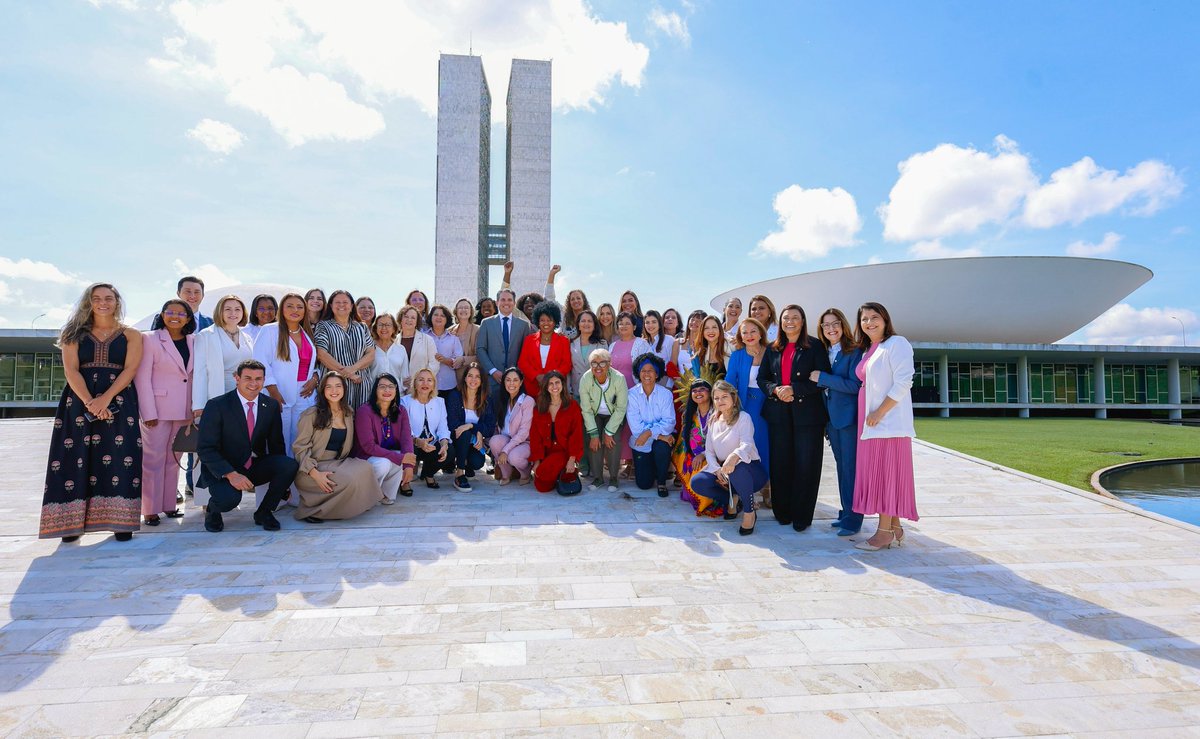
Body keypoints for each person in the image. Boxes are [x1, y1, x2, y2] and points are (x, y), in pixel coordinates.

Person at [39, 283, 143, 542]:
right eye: (96, 298)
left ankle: (120, 523)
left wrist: (106, 399)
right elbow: (71, 370)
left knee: (121, 455)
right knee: (74, 457)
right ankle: (70, 525)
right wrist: (90, 402)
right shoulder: (73, 333)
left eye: (108, 298)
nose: (103, 302)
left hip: (120, 400)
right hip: (78, 401)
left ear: (117, 302)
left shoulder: (131, 335)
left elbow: (130, 370)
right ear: (88, 302)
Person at [196, 359, 298, 533]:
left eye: (258, 379)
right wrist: (231, 474)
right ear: (237, 378)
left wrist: (283, 482)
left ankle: (264, 512)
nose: (253, 383)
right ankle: (213, 510)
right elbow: (205, 448)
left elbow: (276, 444)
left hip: (252, 464)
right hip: (224, 469)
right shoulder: (217, 405)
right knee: (229, 500)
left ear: (264, 380)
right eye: (248, 378)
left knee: (288, 465)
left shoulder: (270, 405)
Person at [757, 304, 830, 532]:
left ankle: (802, 516)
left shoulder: (815, 346)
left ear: (803, 320)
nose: (790, 321)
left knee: (806, 465)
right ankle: (783, 512)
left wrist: (794, 389)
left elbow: (821, 378)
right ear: (780, 322)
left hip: (807, 415)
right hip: (779, 414)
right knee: (781, 464)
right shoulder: (773, 348)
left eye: (795, 318)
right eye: (786, 318)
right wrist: (776, 390)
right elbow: (763, 379)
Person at [852, 302, 918, 551]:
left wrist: (880, 412)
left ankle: (883, 532)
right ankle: (896, 527)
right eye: (864, 319)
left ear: (885, 319)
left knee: (885, 476)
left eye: (874, 317)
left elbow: (904, 382)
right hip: (869, 423)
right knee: (878, 474)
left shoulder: (897, 343)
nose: (869, 322)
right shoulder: (870, 348)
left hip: (886, 423)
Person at [134, 299, 195, 526]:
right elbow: (142, 376)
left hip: (184, 410)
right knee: (152, 459)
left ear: (188, 318)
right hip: (157, 411)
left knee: (174, 459)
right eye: (170, 312)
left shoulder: (193, 341)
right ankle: (150, 509)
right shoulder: (149, 339)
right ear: (162, 314)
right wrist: (147, 411)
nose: (175, 316)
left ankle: (169, 504)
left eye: (181, 313)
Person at [291, 372, 383, 523]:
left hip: (337, 461)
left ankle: (358, 504)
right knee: (349, 479)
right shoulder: (311, 414)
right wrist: (314, 474)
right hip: (313, 467)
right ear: (322, 390)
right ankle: (313, 511)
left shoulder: (348, 412)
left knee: (366, 467)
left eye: (338, 386)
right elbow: (300, 448)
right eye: (329, 387)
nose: (334, 391)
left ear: (344, 389)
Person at [192, 295, 254, 509]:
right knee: (210, 446)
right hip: (217, 396)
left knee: (234, 446)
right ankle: (203, 500)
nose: (233, 313)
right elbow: (200, 372)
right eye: (228, 309)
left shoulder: (247, 336)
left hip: (243, 398)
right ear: (220, 311)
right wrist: (198, 405)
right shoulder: (206, 335)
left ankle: (229, 489)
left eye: (237, 309)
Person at [690, 380, 768, 536]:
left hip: (751, 472)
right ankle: (733, 498)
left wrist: (733, 457)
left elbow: (746, 444)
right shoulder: (713, 420)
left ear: (734, 398)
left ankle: (749, 512)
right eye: (717, 398)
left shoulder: (743, 418)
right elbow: (709, 451)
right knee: (698, 482)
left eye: (724, 397)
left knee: (737, 469)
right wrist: (717, 469)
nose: (720, 401)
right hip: (725, 471)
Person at [811, 308, 864, 537]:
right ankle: (845, 512)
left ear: (843, 325)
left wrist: (823, 378)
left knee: (851, 469)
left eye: (835, 324)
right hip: (831, 420)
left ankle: (854, 520)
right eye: (826, 325)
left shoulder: (854, 352)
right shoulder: (826, 351)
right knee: (842, 468)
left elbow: (854, 386)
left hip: (848, 420)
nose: (831, 329)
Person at [252, 293, 318, 459]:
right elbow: (260, 362)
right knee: (277, 438)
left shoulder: (307, 332)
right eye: (290, 306)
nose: (295, 310)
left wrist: (315, 379)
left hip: (305, 394)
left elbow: (314, 363)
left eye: (299, 306)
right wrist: (273, 392)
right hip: (278, 392)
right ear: (281, 309)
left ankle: (297, 482)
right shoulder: (269, 330)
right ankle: (277, 480)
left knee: (299, 438)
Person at [724, 317, 772, 508]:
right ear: (740, 336)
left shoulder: (772, 353)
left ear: (761, 333)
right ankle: (749, 491)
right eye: (745, 332)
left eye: (753, 331)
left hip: (770, 406)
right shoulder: (737, 356)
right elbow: (729, 383)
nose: (749, 335)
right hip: (746, 407)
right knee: (749, 447)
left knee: (767, 448)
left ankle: (767, 488)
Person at [353, 373, 416, 502]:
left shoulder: (401, 410)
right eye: (382, 386)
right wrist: (400, 458)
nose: (387, 390)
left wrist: (409, 465)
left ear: (396, 390)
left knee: (399, 457)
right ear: (375, 390)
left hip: (385, 454)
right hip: (366, 457)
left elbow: (406, 439)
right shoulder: (364, 411)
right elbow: (368, 446)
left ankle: (385, 495)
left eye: (391, 386)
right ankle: (367, 496)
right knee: (385, 463)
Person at [314, 290, 376, 410]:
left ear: (352, 306)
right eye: (337, 302)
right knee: (336, 422)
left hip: (361, 385)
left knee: (360, 422)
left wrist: (352, 370)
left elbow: (371, 354)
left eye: (345, 302)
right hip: (334, 388)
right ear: (331, 305)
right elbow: (322, 354)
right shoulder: (323, 326)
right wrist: (349, 375)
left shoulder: (361, 327)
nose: (341, 305)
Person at [176, 276, 209, 498]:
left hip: (203, 385)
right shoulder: (167, 319)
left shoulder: (210, 323)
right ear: (179, 293)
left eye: (196, 292)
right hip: (175, 387)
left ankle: (192, 483)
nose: (192, 296)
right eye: (187, 291)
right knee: (172, 438)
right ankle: (168, 489)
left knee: (198, 435)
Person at [626, 353, 675, 496]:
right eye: (643, 371)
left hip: (654, 439)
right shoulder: (632, 394)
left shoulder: (665, 394)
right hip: (640, 442)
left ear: (657, 373)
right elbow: (636, 427)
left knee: (662, 447)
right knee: (644, 484)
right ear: (638, 373)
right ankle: (651, 468)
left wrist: (649, 433)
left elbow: (669, 421)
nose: (647, 374)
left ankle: (661, 482)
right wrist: (659, 435)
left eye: (650, 370)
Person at [672, 375, 722, 517]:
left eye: (702, 389)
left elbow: (723, 441)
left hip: (717, 457)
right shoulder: (689, 415)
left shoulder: (720, 414)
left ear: (710, 392)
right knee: (689, 493)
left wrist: (704, 454)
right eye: (694, 391)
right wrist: (690, 456)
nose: (698, 393)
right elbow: (684, 442)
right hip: (695, 457)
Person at [578, 348, 626, 492]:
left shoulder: (619, 378)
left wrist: (609, 432)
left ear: (609, 364)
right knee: (594, 442)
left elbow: (621, 408)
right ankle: (598, 478)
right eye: (594, 363)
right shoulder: (586, 378)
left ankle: (613, 478)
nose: (598, 367)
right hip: (594, 414)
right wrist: (594, 434)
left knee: (613, 440)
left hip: (613, 414)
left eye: (602, 363)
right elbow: (586, 409)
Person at [528, 371, 584, 494]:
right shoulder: (540, 407)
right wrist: (537, 461)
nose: (554, 387)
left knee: (544, 476)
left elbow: (577, 434)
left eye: (557, 383)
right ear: (546, 387)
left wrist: (572, 459)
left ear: (563, 384)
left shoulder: (572, 405)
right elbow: (535, 435)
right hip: (547, 452)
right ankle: (559, 474)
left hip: (564, 452)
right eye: (550, 384)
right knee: (540, 486)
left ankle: (564, 471)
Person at [445, 363, 494, 491]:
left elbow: (489, 427)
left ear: (482, 380)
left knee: (477, 462)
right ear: (465, 378)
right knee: (464, 433)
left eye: (477, 376)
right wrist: (473, 429)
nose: (473, 380)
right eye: (470, 376)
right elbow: (452, 424)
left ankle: (466, 463)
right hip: (455, 439)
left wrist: (474, 428)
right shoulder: (455, 396)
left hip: (473, 442)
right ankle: (459, 473)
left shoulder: (486, 399)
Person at [401, 368, 452, 487]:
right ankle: (405, 482)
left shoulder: (439, 402)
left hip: (431, 444)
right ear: (415, 383)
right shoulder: (405, 401)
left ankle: (428, 474)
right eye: (421, 380)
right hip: (413, 444)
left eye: (429, 380)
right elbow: (405, 429)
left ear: (434, 384)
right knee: (407, 448)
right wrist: (418, 441)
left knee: (450, 451)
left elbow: (443, 427)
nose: (425, 383)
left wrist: (444, 443)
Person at [476, 289, 532, 393]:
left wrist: (516, 374)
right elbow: (480, 349)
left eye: (510, 300)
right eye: (503, 299)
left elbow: (526, 352)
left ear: (514, 303)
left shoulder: (524, 325)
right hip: (492, 380)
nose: (506, 303)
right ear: (497, 302)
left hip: (515, 381)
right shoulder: (486, 323)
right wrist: (493, 371)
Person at [487, 367, 533, 484]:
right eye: (508, 380)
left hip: (525, 442)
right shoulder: (503, 400)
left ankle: (526, 473)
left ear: (521, 382)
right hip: (508, 439)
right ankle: (506, 474)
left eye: (515, 380)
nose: (511, 383)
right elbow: (498, 427)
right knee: (495, 441)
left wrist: (505, 451)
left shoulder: (528, 401)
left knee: (513, 457)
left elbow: (523, 433)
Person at [517, 300, 573, 397]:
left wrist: (551, 379)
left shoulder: (564, 341)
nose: (546, 323)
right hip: (532, 387)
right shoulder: (529, 340)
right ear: (538, 321)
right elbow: (523, 363)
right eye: (542, 320)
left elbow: (566, 364)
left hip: (555, 388)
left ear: (555, 321)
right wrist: (537, 376)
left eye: (549, 320)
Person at [395, 305, 440, 391]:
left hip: (421, 389)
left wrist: (418, 380)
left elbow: (434, 364)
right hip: (399, 389)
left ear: (417, 322)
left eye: (413, 318)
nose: (409, 320)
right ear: (400, 319)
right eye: (406, 316)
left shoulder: (427, 340)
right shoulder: (394, 340)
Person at [427, 304, 464, 398]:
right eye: (435, 315)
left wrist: (445, 360)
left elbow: (458, 363)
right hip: (427, 386)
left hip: (449, 386)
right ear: (431, 317)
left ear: (447, 319)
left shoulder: (454, 339)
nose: (438, 317)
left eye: (442, 315)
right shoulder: (424, 337)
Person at [569, 309, 607, 395]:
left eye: (590, 321)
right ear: (578, 325)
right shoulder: (570, 344)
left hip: (597, 391)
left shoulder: (602, 344)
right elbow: (568, 370)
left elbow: (606, 369)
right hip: (576, 391)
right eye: (583, 321)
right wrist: (568, 390)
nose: (586, 324)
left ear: (594, 325)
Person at [370, 313, 409, 386]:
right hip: (373, 393)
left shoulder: (400, 349)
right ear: (375, 328)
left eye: (388, 325)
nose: (384, 328)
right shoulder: (369, 348)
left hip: (396, 393)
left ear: (394, 329)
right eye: (380, 325)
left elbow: (405, 376)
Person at [642, 310, 675, 387]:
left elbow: (673, 364)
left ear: (659, 324)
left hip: (664, 381)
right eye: (647, 322)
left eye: (654, 322)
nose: (650, 325)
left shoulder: (669, 340)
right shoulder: (643, 343)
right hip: (646, 382)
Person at [691, 314, 729, 378]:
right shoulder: (700, 353)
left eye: (714, 327)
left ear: (720, 329)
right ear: (702, 332)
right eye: (706, 328)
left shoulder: (731, 347)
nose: (711, 331)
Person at [450, 298, 480, 383]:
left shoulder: (478, 330)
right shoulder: (449, 331)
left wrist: (463, 359)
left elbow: (480, 356)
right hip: (451, 378)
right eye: (460, 308)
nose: (463, 310)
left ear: (471, 311)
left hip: (470, 378)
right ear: (456, 311)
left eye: (466, 307)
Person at [675, 310, 706, 375]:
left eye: (698, 321)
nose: (694, 322)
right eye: (692, 319)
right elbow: (672, 366)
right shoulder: (677, 342)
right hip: (680, 383)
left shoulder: (707, 345)